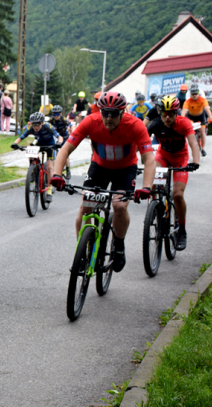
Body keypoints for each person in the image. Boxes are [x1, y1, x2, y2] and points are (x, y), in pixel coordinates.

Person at [50, 91, 156, 272]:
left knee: (119, 206)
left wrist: (146, 187)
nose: (108, 117)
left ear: (123, 112)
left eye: (113, 113)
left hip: (125, 169)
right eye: (104, 112)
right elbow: (65, 149)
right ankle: (82, 253)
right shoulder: (91, 121)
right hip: (99, 167)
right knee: (86, 207)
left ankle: (119, 247)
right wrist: (57, 175)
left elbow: (149, 159)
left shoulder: (135, 125)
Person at [147, 94, 200, 251]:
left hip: (180, 158)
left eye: (171, 113)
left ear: (177, 113)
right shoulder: (155, 124)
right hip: (163, 156)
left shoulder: (184, 123)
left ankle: (182, 230)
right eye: (164, 113)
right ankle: (156, 210)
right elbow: (142, 141)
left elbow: (193, 143)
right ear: (160, 113)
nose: (168, 117)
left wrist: (195, 162)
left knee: (177, 195)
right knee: (153, 186)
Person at [11, 111, 63, 200]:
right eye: (34, 124)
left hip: (50, 144)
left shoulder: (47, 126)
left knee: (50, 167)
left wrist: (59, 143)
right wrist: (15, 144)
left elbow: (59, 136)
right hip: (39, 143)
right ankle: (33, 169)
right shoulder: (31, 128)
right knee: (30, 149)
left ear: (42, 123)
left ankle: (49, 191)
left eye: (38, 124)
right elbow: (21, 137)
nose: (35, 127)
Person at [181, 83, 212, 157]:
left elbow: (207, 109)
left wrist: (210, 117)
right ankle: (193, 147)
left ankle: (203, 148)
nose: (194, 95)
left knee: (203, 132)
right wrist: (182, 120)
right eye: (193, 94)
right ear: (190, 94)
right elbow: (184, 112)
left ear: (198, 93)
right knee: (190, 132)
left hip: (201, 116)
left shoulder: (203, 100)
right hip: (191, 117)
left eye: (196, 94)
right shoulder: (187, 101)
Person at [49, 105, 70, 173]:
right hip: (55, 137)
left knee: (65, 153)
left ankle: (67, 169)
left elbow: (71, 125)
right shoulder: (51, 120)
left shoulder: (63, 119)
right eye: (54, 114)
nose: (56, 116)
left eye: (57, 114)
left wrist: (73, 132)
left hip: (64, 137)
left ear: (60, 114)